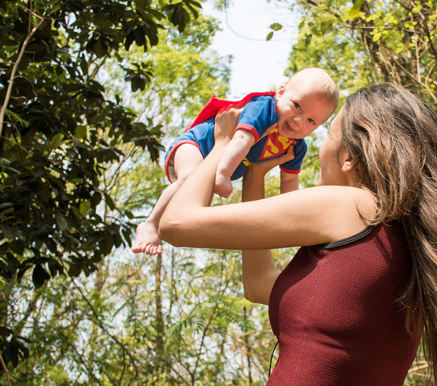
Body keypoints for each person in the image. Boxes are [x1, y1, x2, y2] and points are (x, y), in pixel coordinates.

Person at [158, 83, 437, 385]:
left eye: (327, 134)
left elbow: (176, 223)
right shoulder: (404, 242)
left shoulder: (350, 205)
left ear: (349, 159)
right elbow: (260, 284)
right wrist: (255, 173)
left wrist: (222, 145)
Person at [132, 67, 339, 256]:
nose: (298, 121)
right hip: (197, 145)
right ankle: (151, 223)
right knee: (189, 178)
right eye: (297, 106)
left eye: (311, 121)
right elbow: (241, 139)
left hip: (215, 166)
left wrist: (297, 219)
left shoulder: (296, 146)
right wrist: (223, 174)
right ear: (281, 93)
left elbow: (290, 184)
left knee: (197, 207)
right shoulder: (264, 108)